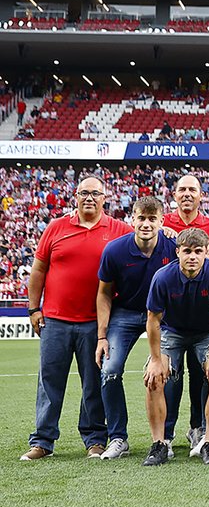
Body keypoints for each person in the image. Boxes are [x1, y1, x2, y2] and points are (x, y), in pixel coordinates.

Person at [23, 176, 133, 461]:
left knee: (93, 383)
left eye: (95, 193)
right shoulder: (56, 227)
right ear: (75, 196)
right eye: (84, 193)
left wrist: (167, 231)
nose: (89, 198)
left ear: (105, 198)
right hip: (55, 320)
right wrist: (34, 309)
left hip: (95, 323)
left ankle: (95, 439)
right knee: (49, 381)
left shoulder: (120, 230)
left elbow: (147, 239)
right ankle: (43, 441)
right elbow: (38, 270)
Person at [95, 196, 176, 460]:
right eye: (141, 218)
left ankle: (166, 437)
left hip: (163, 316)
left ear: (162, 221)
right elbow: (104, 293)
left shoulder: (174, 246)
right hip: (126, 314)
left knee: (170, 371)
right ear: (133, 219)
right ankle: (118, 437)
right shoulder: (115, 250)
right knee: (110, 370)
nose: (146, 224)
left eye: (152, 219)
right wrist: (102, 336)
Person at [141, 228, 209, 467]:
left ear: (205, 253)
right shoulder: (163, 277)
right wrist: (156, 359)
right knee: (154, 377)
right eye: (187, 251)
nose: (192, 256)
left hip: (206, 332)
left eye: (198, 251)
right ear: (178, 252)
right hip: (172, 331)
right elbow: (153, 320)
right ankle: (159, 443)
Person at [162, 175, 209, 241]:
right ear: (174, 196)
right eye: (182, 190)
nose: (187, 194)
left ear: (201, 196)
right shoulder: (161, 223)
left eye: (192, 190)